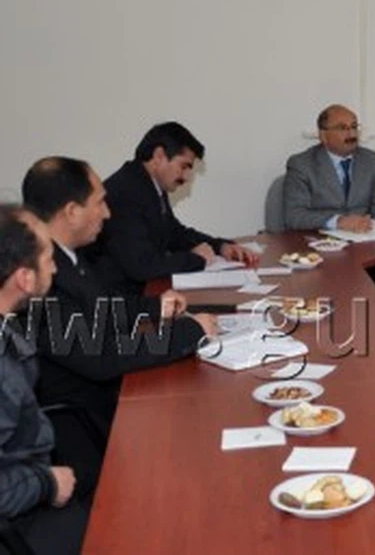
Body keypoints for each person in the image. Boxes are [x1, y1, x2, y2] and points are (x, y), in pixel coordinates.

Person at [22, 157, 215, 502]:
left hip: (107, 397)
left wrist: (156, 307)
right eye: (99, 203)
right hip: (83, 424)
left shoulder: (67, 256)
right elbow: (100, 357)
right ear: (72, 212)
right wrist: (188, 333)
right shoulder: (41, 275)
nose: (108, 213)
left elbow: (103, 307)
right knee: (195, 442)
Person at [0, 205, 86, 554]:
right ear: (24, 278)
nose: (55, 267)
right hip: (19, 518)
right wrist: (45, 484)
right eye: (49, 258)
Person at [92, 122, 259, 294]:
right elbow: (142, 265)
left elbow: (174, 233)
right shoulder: (125, 193)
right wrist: (195, 259)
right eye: (184, 166)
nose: (186, 177)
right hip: (116, 302)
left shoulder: (147, 185)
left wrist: (220, 246)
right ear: (159, 156)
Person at [283, 104, 375, 232]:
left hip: (363, 237)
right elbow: (294, 216)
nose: (351, 134)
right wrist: (337, 222)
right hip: (320, 238)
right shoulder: (302, 164)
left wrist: (374, 230)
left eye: (354, 127)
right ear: (323, 135)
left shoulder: (371, 160)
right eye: (342, 128)